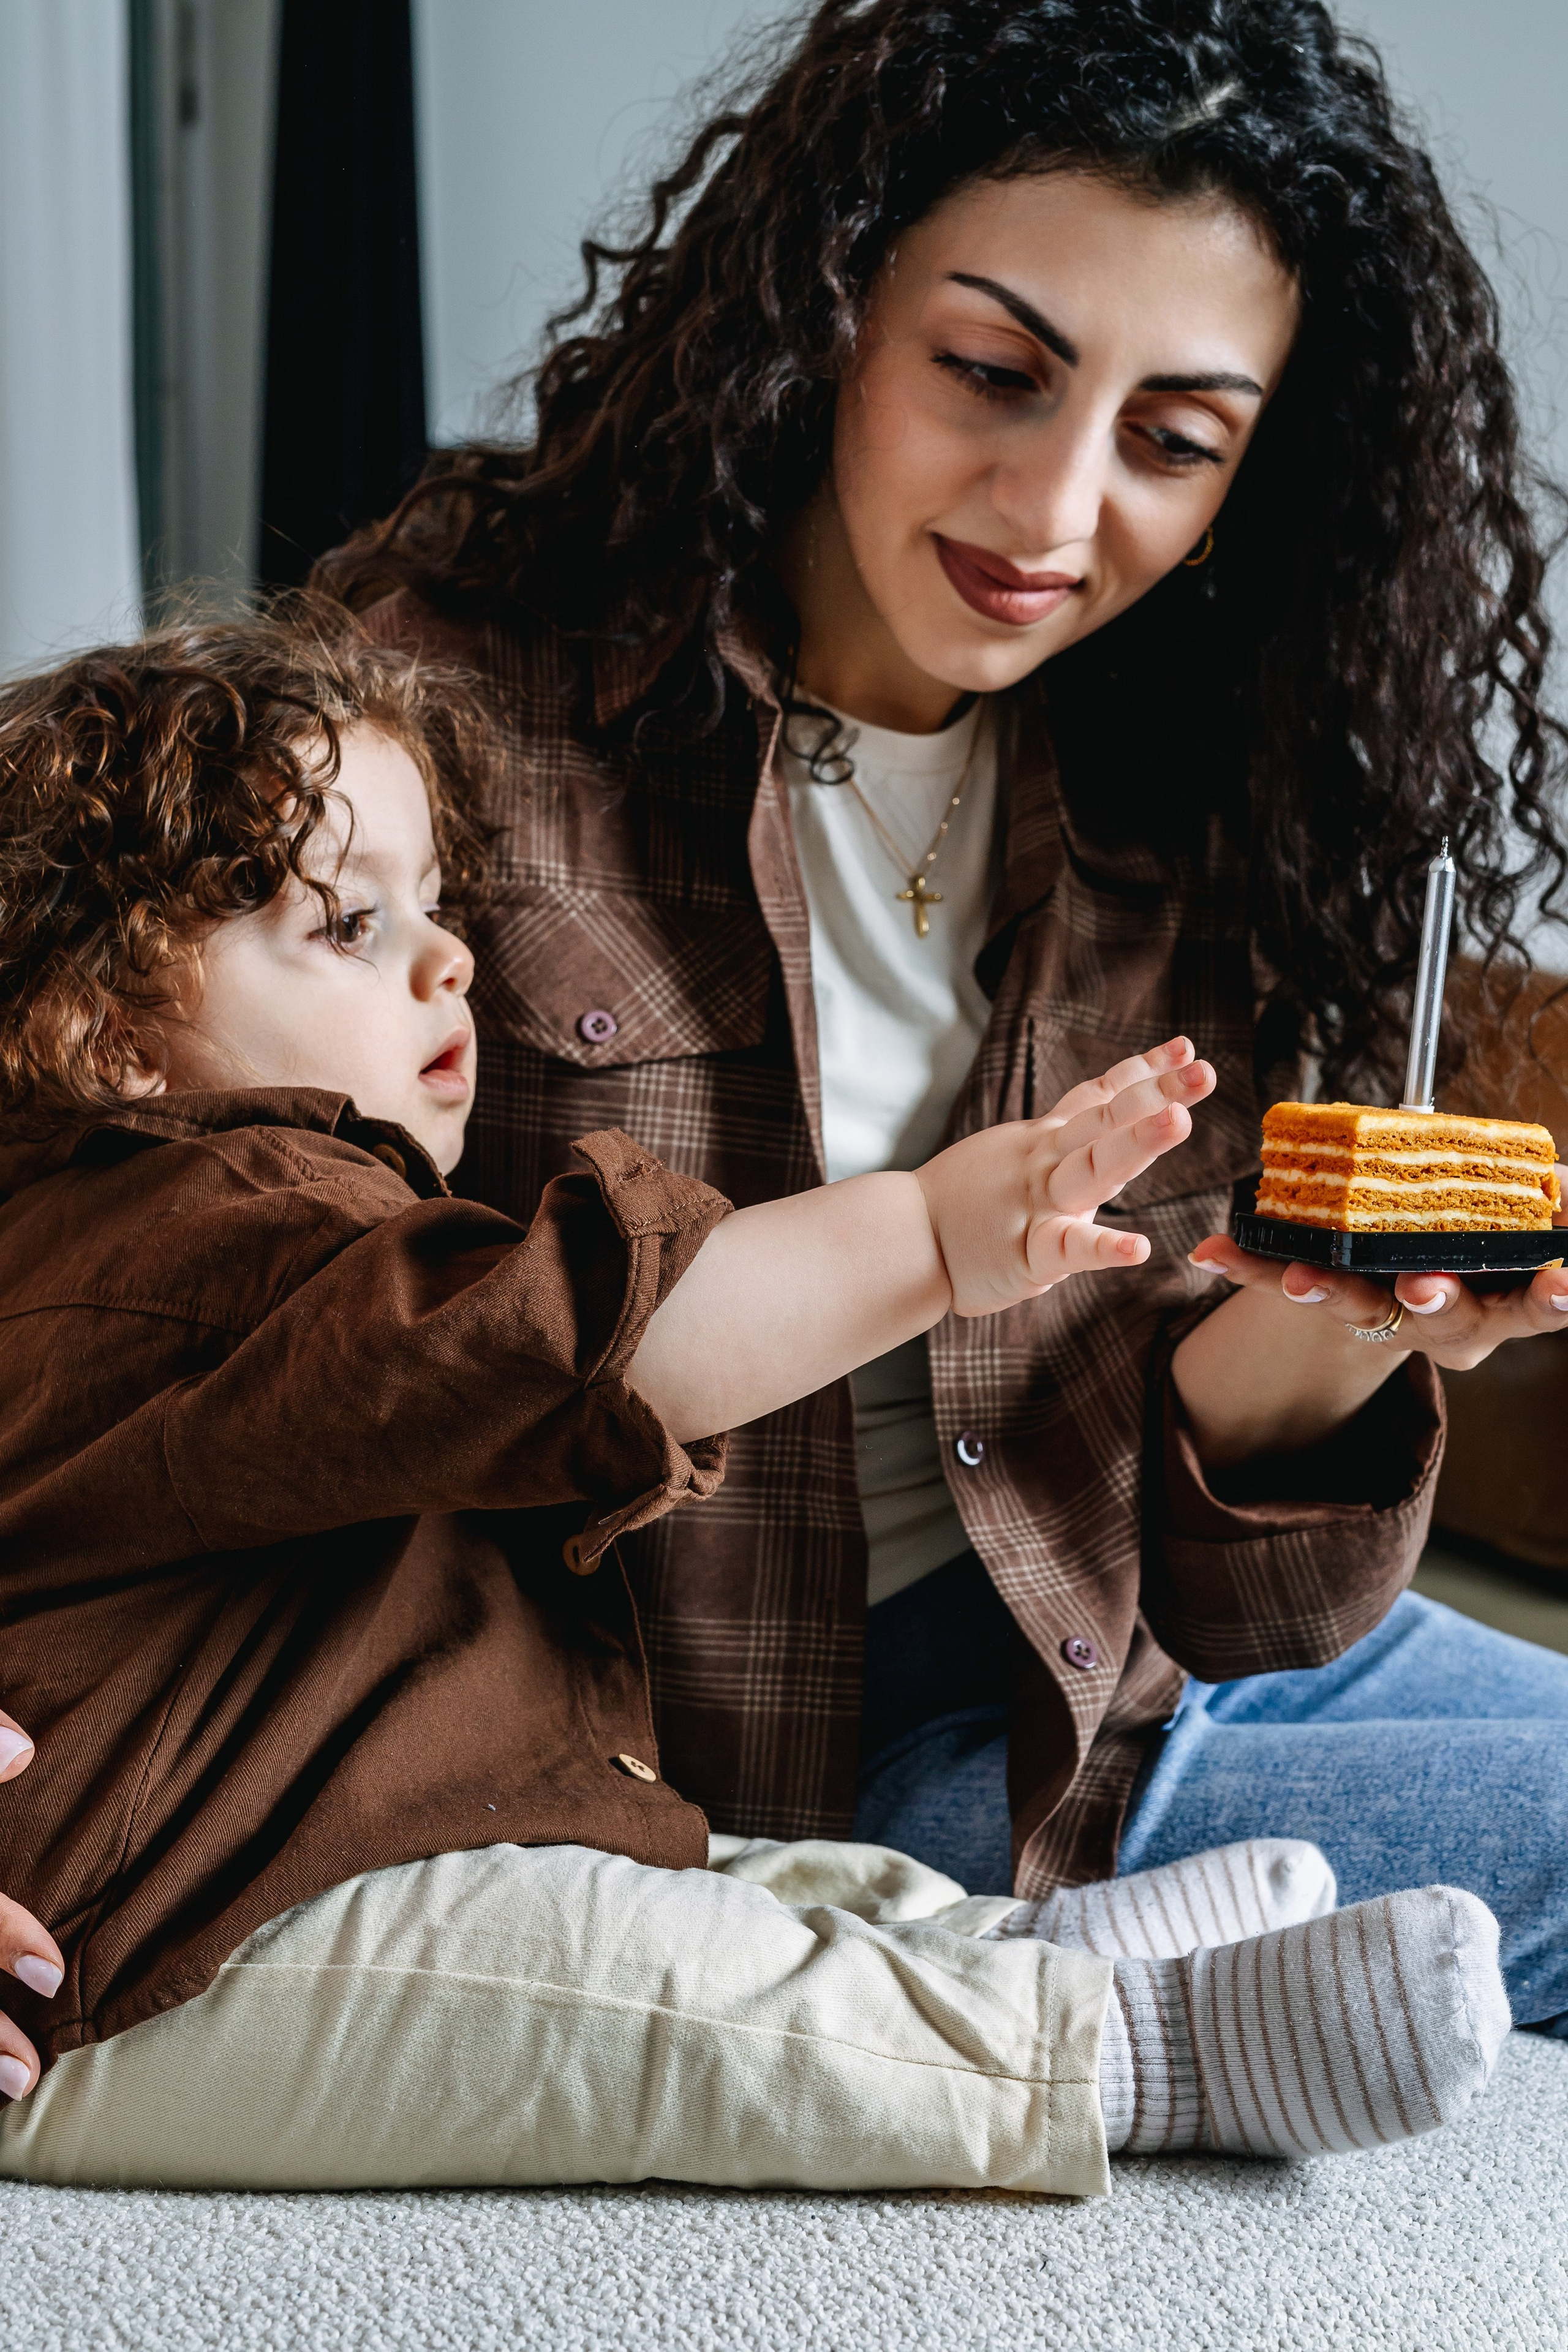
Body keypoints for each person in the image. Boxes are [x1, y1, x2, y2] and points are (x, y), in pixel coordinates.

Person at [318, 0, 1568, 2036]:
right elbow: (155, 1266)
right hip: (763, 1756)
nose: (1056, 514)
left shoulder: (1195, 783)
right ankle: (987, 1974)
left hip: (1112, 1656)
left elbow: (1221, 1567)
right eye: (992, 371)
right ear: (827, 300)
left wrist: (1327, 1323)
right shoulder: (446, 693)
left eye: (1174, 442)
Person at [0, 610, 1510, 2188]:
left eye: (437, 905)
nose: (451, 957)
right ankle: (1118, 2046)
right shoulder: (211, 1218)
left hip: (325, 1847)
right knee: (644, 1988)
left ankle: (1012, 1941)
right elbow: (595, 1337)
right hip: (165, 1965)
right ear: (103, 1032)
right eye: (349, 928)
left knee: (731, 1882)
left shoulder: (241, 1236)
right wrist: (929, 1234)